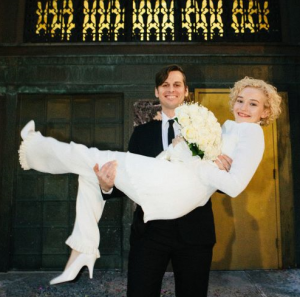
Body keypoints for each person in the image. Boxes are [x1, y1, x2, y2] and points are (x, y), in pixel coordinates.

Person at [18, 70, 281, 295]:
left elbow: (229, 183)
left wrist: (203, 164)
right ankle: (83, 248)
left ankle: (36, 149)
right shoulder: (149, 132)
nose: (244, 108)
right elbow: (127, 184)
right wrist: (106, 185)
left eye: (177, 84)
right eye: (165, 85)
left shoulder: (235, 129)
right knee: (92, 173)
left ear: (186, 91)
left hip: (193, 231)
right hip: (151, 232)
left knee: (96, 157)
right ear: (157, 92)